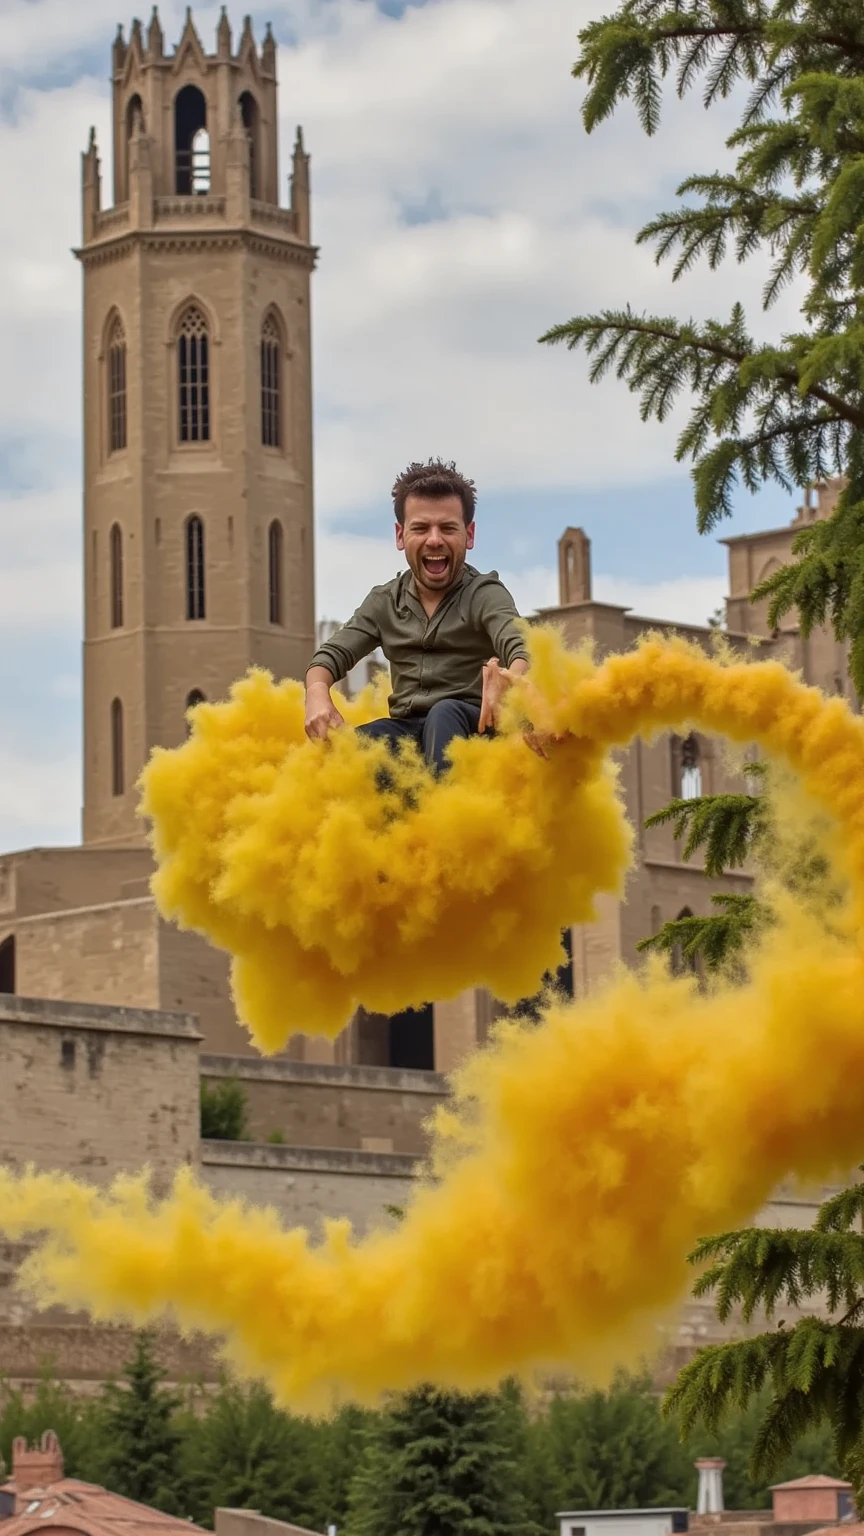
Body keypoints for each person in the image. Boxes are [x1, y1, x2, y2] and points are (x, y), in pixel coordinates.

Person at [304, 459, 536, 773]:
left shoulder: (486, 595)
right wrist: (317, 694)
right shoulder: (385, 601)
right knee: (349, 752)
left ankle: (444, 816)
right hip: (409, 733)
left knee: (444, 714)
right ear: (401, 536)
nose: (435, 539)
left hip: (472, 730)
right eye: (421, 528)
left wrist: (511, 681)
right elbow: (331, 655)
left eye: (448, 528)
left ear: (469, 535)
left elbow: (520, 646)